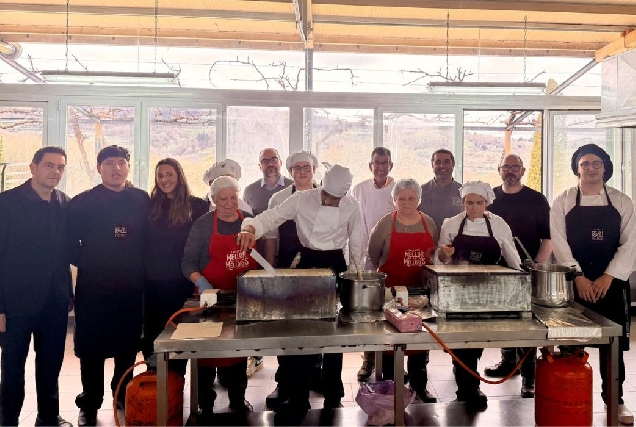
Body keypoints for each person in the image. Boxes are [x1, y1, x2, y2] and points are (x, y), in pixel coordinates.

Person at [237, 164, 363, 423]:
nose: (329, 201)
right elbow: (271, 217)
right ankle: (297, 398)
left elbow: (358, 243)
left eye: (335, 199)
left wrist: (355, 277)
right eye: (326, 195)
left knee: (335, 333)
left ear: (344, 195)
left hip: (335, 265)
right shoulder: (302, 199)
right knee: (303, 331)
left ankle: (333, 394)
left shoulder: (352, 206)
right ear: (321, 186)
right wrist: (250, 228)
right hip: (306, 263)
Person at [550, 144, 635, 425]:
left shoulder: (622, 201)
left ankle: (615, 400)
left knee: (613, 345)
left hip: (612, 282)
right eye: (585, 163)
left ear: (605, 167)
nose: (591, 168)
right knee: (571, 342)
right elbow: (559, 242)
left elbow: (630, 243)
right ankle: (568, 397)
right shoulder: (563, 200)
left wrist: (609, 276)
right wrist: (577, 276)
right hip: (576, 283)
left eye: (596, 163)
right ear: (577, 168)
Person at [68, 145, 150, 426]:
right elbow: (69, 243)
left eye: (121, 163)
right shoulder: (82, 202)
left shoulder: (141, 199)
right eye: (109, 163)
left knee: (127, 345)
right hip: (94, 286)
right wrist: (90, 261)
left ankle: (123, 395)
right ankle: (90, 401)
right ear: (99, 168)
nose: (116, 168)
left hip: (131, 286)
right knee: (91, 347)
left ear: (128, 167)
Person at [0, 147, 73, 427]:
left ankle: (48, 417)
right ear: (33, 167)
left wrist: (68, 294)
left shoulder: (64, 203)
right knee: (12, 366)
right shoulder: (7, 203)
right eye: (49, 165)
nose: (55, 171)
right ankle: (8, 420)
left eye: (60, 167)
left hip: (55, 300)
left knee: (51, 364)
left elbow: (63, 252)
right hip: (15, 302)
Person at [436, 181, 521, 413]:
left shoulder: (499, 224)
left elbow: (512, 255)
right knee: (462, 339)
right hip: (458, 289)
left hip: (489, 290)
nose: (474, 207)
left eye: (479, 203)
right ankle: (469, 389)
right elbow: (440, 260)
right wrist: (443, 254)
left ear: (487, 203)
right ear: (463, 202)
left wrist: (522, 278)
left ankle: (466, 379)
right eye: (469, 203)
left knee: (477, 338)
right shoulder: (451, 224)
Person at [182, 176, 257, 417]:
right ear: (213, 199)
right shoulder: (204, 225)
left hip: (242, 298)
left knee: (238, 350)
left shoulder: (249, 222)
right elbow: (187, 262)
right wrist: (201, 282)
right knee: (206, 352)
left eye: (233, 198)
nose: (229, 203)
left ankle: (238, 399)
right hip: (210, 299)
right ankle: (205, 403)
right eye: (223, 199)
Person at [484, 154, 552, 398]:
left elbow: (548, 238)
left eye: (515, 167)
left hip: (526, 270)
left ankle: (529, 376)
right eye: (506, 167)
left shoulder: (537, 199)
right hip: (497, 270)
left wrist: (537, 267)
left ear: (523, 171)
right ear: (499, 170)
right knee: (504, 319)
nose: (510, 171)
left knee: (526, 323)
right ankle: (508, 361)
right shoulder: (490, 198)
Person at [367, 178, 437, 403]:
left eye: (411, 198)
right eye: (401, 198)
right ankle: (391, 389)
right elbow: (373, 254)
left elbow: (434, 254)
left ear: (419, 199)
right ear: (394, 200)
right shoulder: (384, 224)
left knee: (419, 341)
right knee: (390, 342)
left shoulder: (429, 223)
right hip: (391, 293)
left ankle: (419, 386)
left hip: (420, 294)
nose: (406, 202)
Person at [142, 158, 209, 372]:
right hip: (153, 282)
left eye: (169, 174)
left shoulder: (197, 206)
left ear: (179, 176)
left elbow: (204, 245)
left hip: (183, 281)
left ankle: (176, 380)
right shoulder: (150, 206)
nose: (164, 180)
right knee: (153, 333)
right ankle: (154, 379)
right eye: (160, 176)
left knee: (181, 334)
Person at [242, 148, 291, 375]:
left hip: (290, 257)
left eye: (274, 160)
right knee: (260, 310)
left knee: (287, 315)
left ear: (280, 162)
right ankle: (257, 356)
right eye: (265, 161)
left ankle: (287, 367)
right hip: (261, 258)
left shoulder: (292, 187)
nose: (270, 164)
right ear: (259, 165)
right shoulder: (250, 190)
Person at [351, 147, 396, 382]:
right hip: (365, 258)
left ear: (391, 165)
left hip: (390, 256)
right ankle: (368, 359)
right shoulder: (359, 189)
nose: (380, 167)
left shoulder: (397, 190)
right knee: (369, 311)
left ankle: (394, 360)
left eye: (385, 163)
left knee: (392, 308)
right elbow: (353, 222)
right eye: (376, 163)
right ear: (370, 165)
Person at [263, 151, 319, 268]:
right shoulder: (278, 199)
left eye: (307, 167)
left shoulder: (325, 197)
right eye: (297, 168)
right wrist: (269, 270)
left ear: (313, 169)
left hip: (321, 262)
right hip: (287, 263)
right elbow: (271, 237)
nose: (302, 172)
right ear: (290, 172)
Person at [418, 149, 463, 231]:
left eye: (446, 162)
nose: (442, 166)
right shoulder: (420, 191)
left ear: (453, 164)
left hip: (456, 238)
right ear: (432, 165)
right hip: (427, 237)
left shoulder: (463, 192)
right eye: (438, 162)